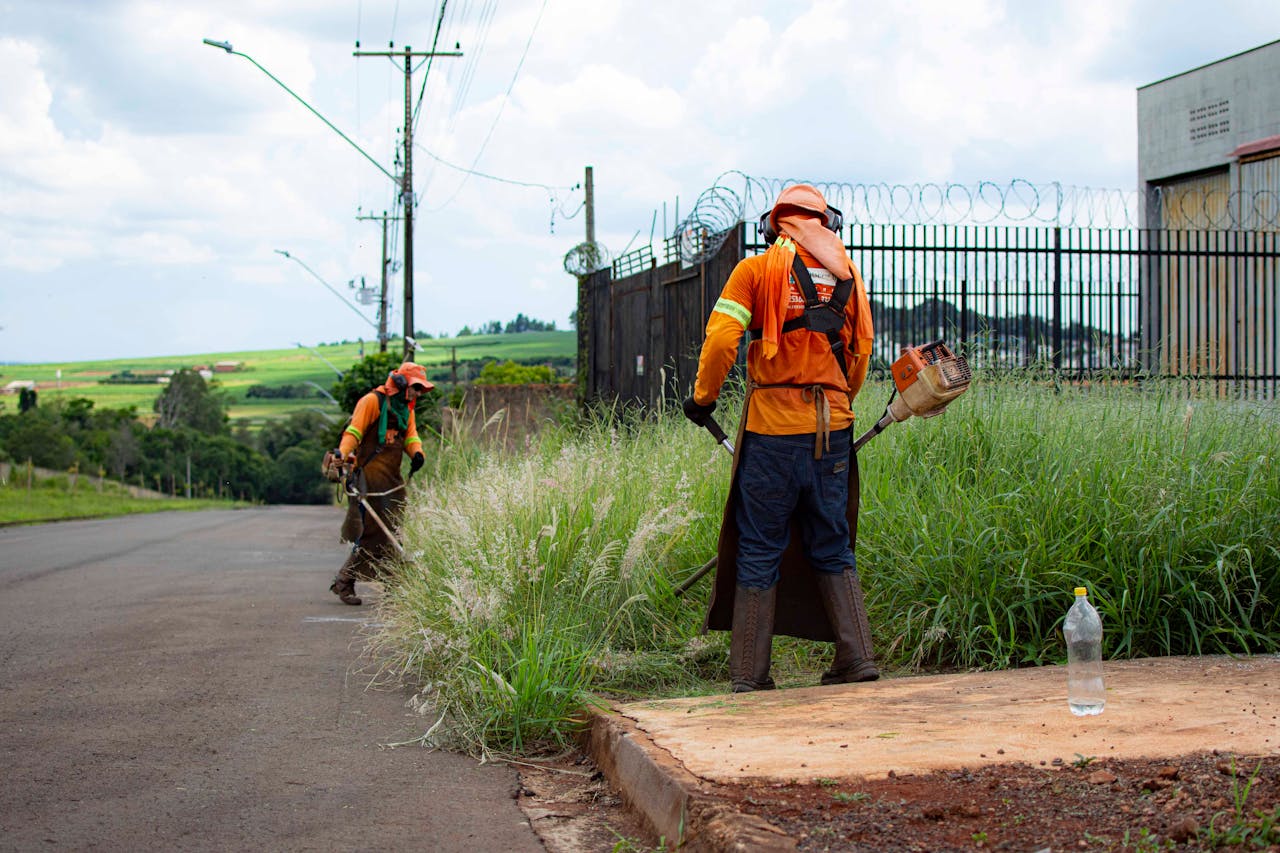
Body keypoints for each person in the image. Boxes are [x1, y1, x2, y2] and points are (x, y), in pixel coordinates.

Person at [682, 184, 878, 693]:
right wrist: (839, 403)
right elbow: (860, 352)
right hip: (832, 430)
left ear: (776, 224)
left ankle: (750, 675)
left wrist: (703, 399)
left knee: (760, 545)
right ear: (825, 223)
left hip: (770, 433)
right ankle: (856, 659)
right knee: (832, 543)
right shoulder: (848, 278)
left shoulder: (755, 272)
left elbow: (724, 338)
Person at [328, 362, 432, 605]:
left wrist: (417, 453)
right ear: (402, 383)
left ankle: (391, 584)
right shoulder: (371, 402)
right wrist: (342, 455)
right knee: (374, 533)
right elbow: (353, 432)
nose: (418, 393)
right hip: (367, 478)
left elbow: (411, 436)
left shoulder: (408, 408)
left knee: (394, 531)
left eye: (421, 389)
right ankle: (347, 580)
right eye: (416, 388)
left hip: (392, 480)